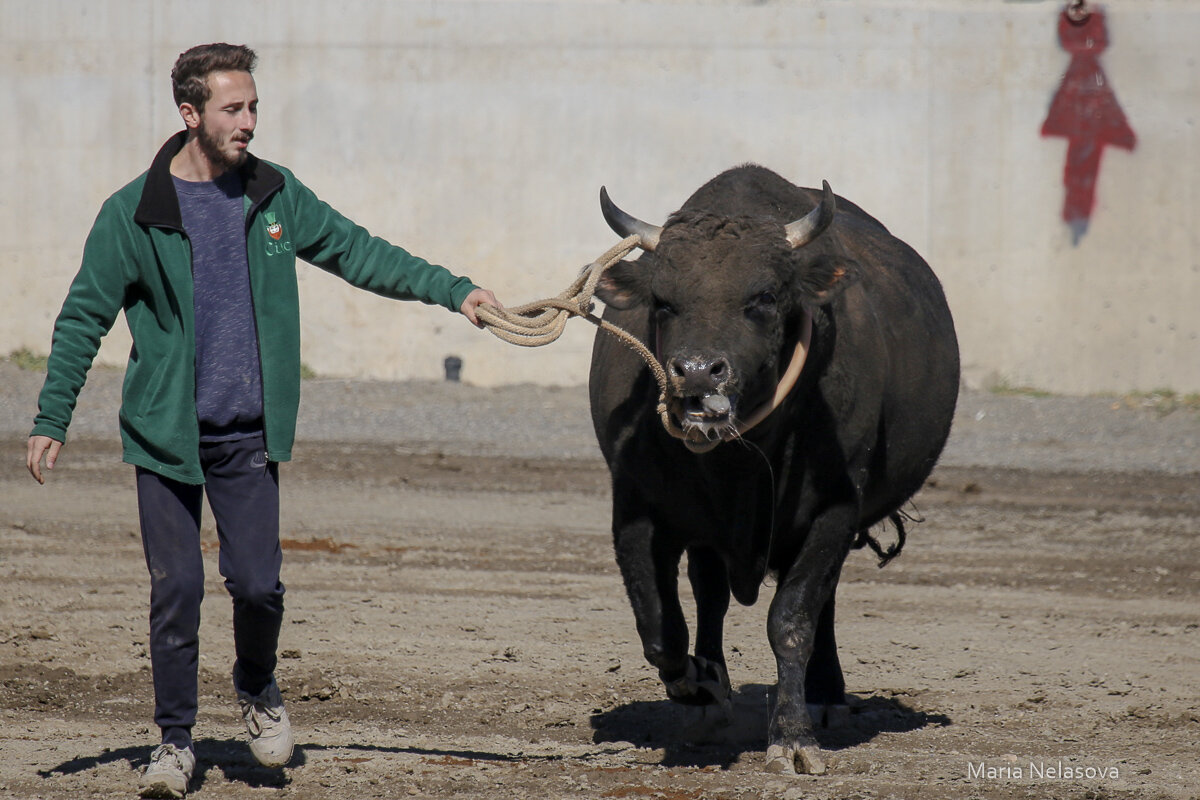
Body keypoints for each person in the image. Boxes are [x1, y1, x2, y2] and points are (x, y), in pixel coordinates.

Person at [25, 43, 501, 799]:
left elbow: (358, 250)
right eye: (233, 108)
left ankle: (257, 686)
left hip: (248, 433)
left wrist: (456, 292)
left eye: (253, 106)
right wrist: (54, 415)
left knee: (257, 586)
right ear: (190, 114)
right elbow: (84, 315)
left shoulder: (273, 194)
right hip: (165, 436)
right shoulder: (133, 212)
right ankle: (175, 744)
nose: (250, 121)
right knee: (176, 590)